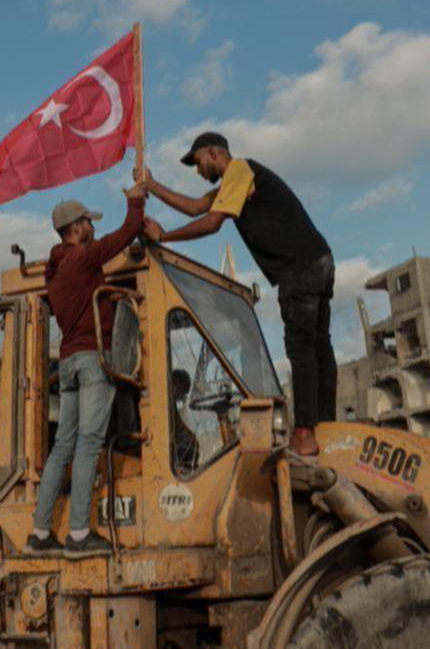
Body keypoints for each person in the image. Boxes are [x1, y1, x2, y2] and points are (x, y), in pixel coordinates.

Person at [141, 131, 335, 455]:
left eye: (199, 162)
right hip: (318, 260)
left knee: (302, 348)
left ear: (215, 154)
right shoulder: (236, 181)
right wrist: (153, 186)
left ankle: (304, 435)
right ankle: (326, 428)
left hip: (298, 268)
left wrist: (165, 237)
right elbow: (196, 207)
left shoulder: (240, 171)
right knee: (319, 346)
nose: (198, 171)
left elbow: (212, 222)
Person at [25, 185, 145, 558]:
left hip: (70, 363)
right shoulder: (82, 259)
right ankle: (79, 535)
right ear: (76, 228)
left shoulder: (54, 274)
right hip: (94, 361)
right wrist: (136, 200)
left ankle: (40, 534)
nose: (92, 228)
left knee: (63, 446)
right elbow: (127, 232)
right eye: (88, 223)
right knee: (89, 444)